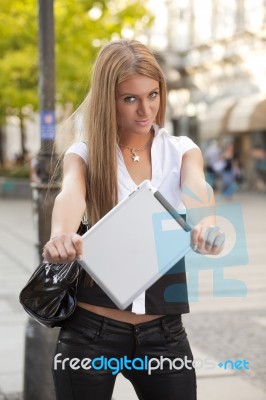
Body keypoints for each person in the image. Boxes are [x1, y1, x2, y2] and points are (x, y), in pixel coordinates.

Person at [42, 39, 224, 400]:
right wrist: (60, 236)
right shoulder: (86, 154)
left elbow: (197, 188)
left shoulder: (181, 150)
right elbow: (70, 194)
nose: (146, 110)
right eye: (130, 98)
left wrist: (206, 225)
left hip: (164, 334)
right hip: (90, 333)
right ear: (108, 99)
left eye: (153, 95)